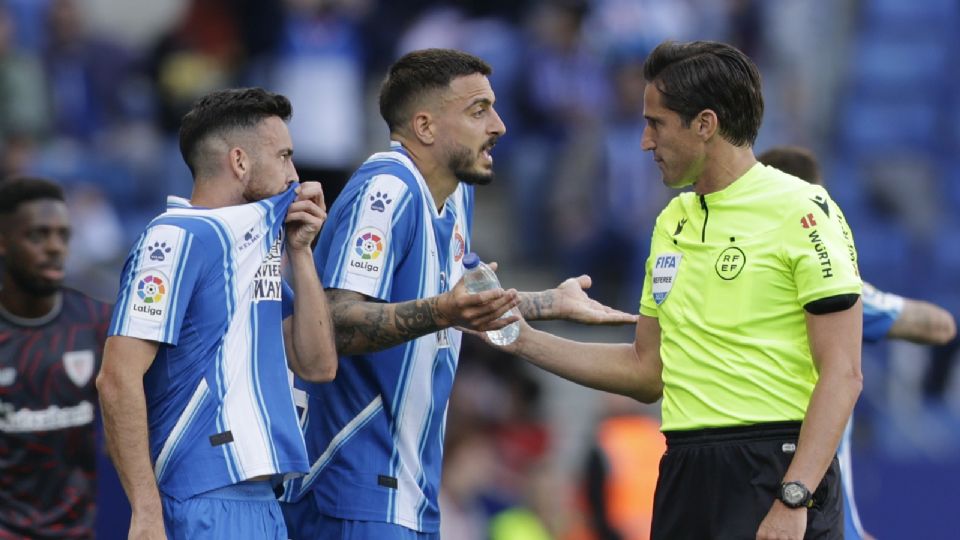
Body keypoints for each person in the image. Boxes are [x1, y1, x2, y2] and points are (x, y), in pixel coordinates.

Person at [487, 40, 864, 539]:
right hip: (685, 472)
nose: (645, 141)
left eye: (656, 123)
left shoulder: (804, 209)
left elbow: (843, 372)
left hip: (774, 467)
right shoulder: (672, 222)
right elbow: (647, 371)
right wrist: (518, 337)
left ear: (705, 124)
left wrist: (795, 497)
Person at [279, 48, 637, 539]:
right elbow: (335, 323)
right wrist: (442, 310)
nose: (499, 125)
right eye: (478, 110)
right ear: (425, 127)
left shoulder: (454, 192)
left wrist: (545, 303)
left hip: (411, 485)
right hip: (352, 483)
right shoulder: (388, 187)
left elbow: (458, 304)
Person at [95, 88, 338, 539]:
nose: (295, 176)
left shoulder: (255, 252)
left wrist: (301, 253)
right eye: (284, 156)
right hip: (202, 499)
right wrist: (145, 514)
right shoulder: (175, 238)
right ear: (240, 162)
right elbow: (116, 379)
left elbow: (318, 365)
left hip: (265, 502)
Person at [758, 145, 957, 540]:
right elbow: (939, 326)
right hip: (821, 519)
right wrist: (860, 303)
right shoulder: (833, 290)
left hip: (733, 500)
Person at [0, 177, 111, 539]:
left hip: (76, 531)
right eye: (38, 235)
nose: (55, 247)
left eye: (63, 235)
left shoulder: (96, 323)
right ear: (3, 242)